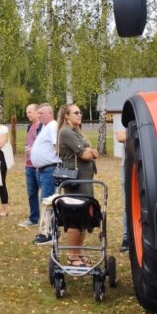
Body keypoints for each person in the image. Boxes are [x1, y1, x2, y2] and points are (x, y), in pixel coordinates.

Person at [56, 104, 100, 265]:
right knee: (75, 216)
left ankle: (78, 253)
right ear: (66, 116)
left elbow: (92, 152)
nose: (79, 114)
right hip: (76, 181)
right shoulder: (66, 132)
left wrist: (91, 151)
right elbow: (86, 154)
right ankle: (72, 255)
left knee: (83, 216)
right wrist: (91, 151)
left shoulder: (76, 131)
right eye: (76, 112)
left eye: (80, 112)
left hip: (84, 180)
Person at [30, 103, 59, 245]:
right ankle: (45, 230)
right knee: (45, 201)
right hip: (42, 169)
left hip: (49, 169)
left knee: (48, 201)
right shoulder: (45, 127)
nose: (39, 115)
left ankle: (48, 233)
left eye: (41, 113)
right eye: (39, 113)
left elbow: (57, 146)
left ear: (50, 113)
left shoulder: (53, 126)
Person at [18, 103, 41, 228]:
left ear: (38, 112)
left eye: (30, 112)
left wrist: (33, 149)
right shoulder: (30, 126)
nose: (28, 115)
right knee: (31, 193)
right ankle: (34, 218)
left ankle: (45, 219)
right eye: (27, 112)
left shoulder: (43, 126)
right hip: (29, 165)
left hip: (39, 165)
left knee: (44, 194)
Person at [116, 128, 129, 252]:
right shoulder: (127, 126)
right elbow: (120, 136)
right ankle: (127, 237)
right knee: (128, 204)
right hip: (127, 166)